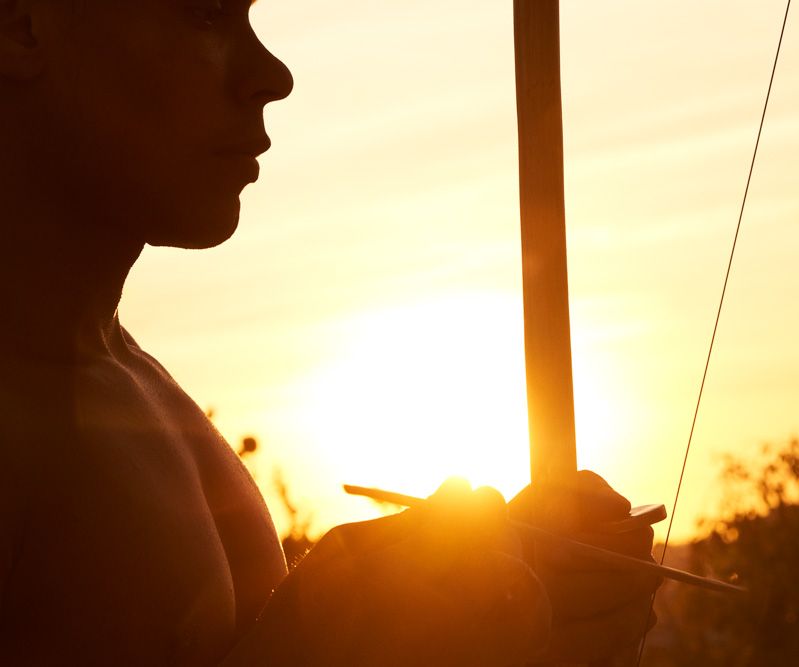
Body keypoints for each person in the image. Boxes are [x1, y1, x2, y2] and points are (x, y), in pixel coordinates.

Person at [0, 0, 660, 664]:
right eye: (205, 14)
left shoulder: (119, 380)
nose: (273, 75)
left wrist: (517, 605)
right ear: (23, 25)